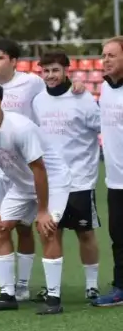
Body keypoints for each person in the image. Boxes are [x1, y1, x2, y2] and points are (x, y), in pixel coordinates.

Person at [0, 81, 72, 315]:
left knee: (46, 229)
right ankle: (8, 295)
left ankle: (54, 299)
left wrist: (43, 210)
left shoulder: (20, 128)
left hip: (53, 182)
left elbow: (40, 170)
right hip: (21, 185)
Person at [32, 50, 101, 301]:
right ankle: (53, 287)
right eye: (46, 71)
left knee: (85, 233)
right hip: (50, 182)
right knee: (50, 232)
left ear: (66, 71)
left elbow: (100, 127)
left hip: (80, 178)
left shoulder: (82, 98)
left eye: (55, 70)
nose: (50, 75)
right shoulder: (38, 101)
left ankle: (91, 285)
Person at [94, 36, 123, 306]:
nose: (106, 60)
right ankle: (120, 287)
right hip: (115, 181)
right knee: (118, 236)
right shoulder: (104, 88)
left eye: (112, 55)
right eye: (104, 55)